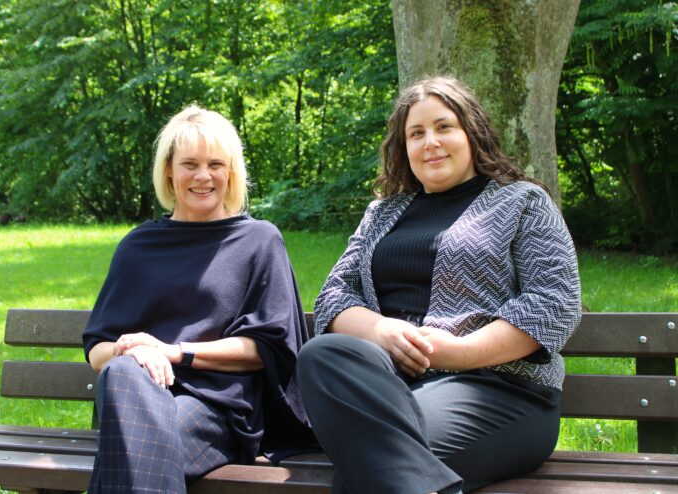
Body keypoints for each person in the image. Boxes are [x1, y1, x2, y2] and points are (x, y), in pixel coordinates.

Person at [297, 76, 581, 494]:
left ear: (472, 133)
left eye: (444, 127)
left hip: (500, 390)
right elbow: (334, 296)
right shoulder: (382, 213)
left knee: (370, 456)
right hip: (390, 383)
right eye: (416, 133)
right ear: (403, 147)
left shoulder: (522, 202)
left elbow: (555, 302)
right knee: (322, 353)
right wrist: (380, 331)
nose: (430, 142)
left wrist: (457, 352)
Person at [83, 105, 312, 493]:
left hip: (217, 409)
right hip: (133, 399)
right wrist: (132, 353)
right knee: (122, 372)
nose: (203, 176)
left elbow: (268, 348)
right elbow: (97, 350)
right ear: (169, 170)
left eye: (215, 164)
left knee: (131, 448)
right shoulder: (139, 246)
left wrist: (173, 351)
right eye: (190, 163)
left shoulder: (258, 241)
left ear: (231, 172)